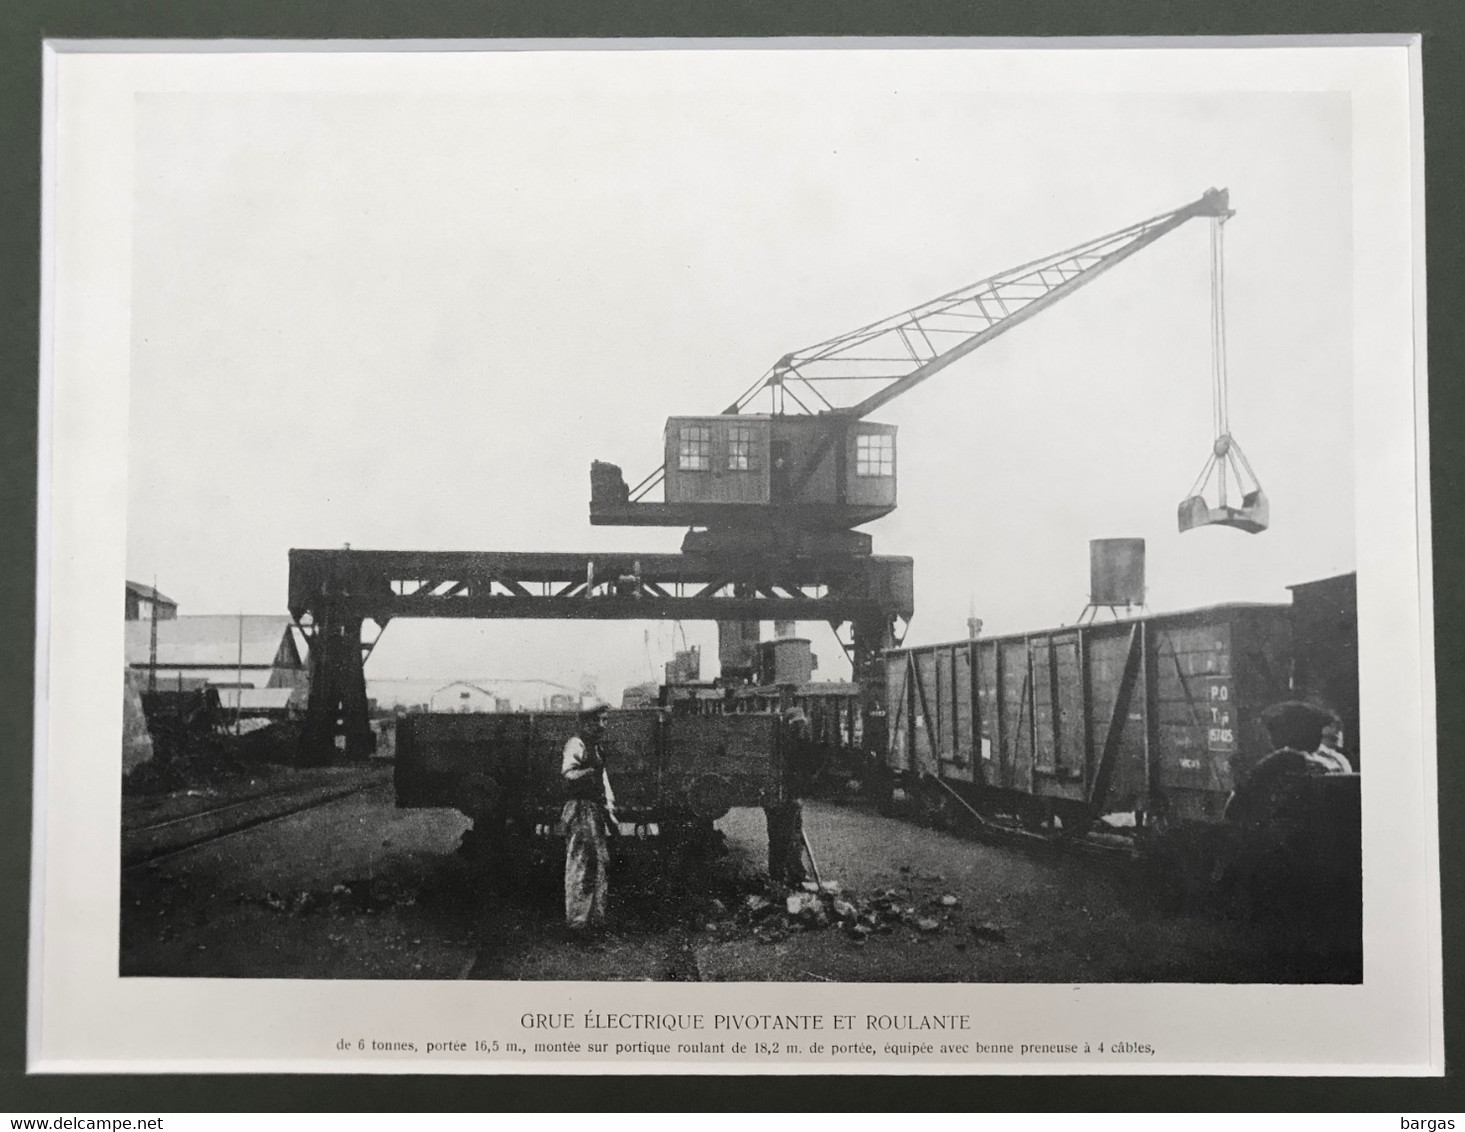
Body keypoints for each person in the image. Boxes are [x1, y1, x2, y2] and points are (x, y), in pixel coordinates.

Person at [561, 703, 616, 938]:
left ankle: (595, 919)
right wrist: (588, 774)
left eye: (605, 720)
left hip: (595, 809)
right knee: (580, 863)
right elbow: (568, 773)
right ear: (587, 723)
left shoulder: (596, 747)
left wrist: (610, 810)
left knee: (599, 862)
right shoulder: (577, 744)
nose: (603, 725)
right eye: (599, 720)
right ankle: (577, 923)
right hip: (580, 808)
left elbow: (604, 782)